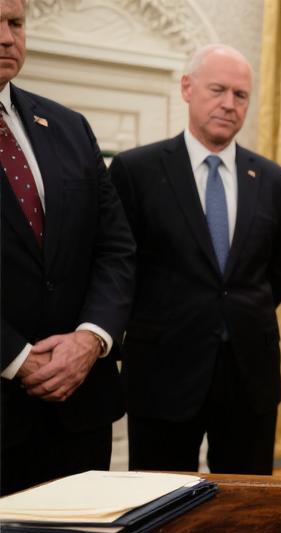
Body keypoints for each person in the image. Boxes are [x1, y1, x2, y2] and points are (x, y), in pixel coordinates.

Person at [109, 45, 281, 475]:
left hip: (249, 375)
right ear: (187, 88)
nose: (229, 104)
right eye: (217, 90)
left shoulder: (274, 181)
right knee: (158, 501)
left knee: (248, 506)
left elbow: (277, 274)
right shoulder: (135, 171)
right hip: (162, 373)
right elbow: (118, 269)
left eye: (240, 95)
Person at [0, 0, 136, 495]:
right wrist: (17, 357)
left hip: (81, 410)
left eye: (15, 23)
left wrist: (90, 338)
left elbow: (115, 247)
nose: (7, 38)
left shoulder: (68, 127)